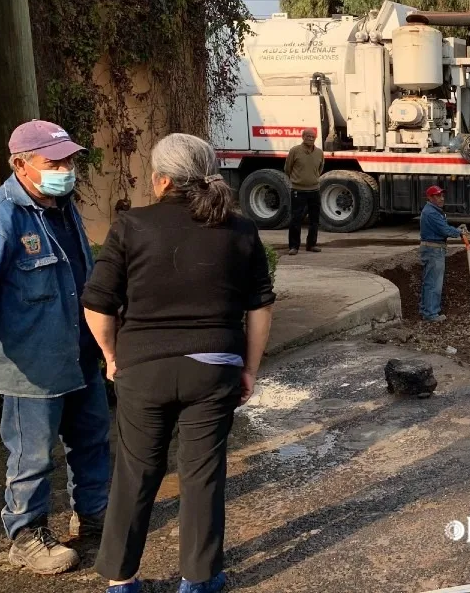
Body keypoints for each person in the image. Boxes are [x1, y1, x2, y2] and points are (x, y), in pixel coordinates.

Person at [82, 133, 275, 593]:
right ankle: (199, 579)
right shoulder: (241, 230)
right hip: (214, 368)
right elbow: (261, 307)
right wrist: (248, 368)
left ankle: (121, 580)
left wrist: (112, 357)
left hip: (143, 369)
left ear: (162, 180)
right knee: (202, 474)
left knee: (135, 474)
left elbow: (98, 304)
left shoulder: (131, 226)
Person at [0, 120, 110, 575]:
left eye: (69, 160)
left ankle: (95, 520)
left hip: (80, 352)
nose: (65, 169)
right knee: (32, 453)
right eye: (54, 162)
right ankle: (26, 535)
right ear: (21, 165)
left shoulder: (63, 209)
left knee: (93, 440)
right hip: (30, 365)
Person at [419, 185, 467, 322]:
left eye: (441, 195)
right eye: (437, 196)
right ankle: (431, 314)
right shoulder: (432, 213)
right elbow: (444, 230)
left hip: (432, 249)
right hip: (434, 250)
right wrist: (459, 232)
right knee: (434, 283)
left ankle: (425, 310)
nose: (441, 198)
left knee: (429, 282)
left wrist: (457, 230)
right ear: (429, 198)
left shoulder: (433, 211)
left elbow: (443, 228)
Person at [283, 128, 324, 256]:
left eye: (313, 137)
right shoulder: (295, 151)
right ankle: (294, 246)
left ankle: (311, 244)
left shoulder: (319, 152)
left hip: (314, 190)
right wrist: (298, 180)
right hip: (298, 190)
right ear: (303, 137)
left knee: (314, 219)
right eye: (308, 136)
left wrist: (312, 179)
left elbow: (320, 168)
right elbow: (287, 168)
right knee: (296, 218)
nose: (310, 139)